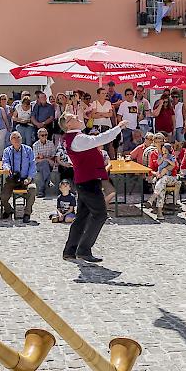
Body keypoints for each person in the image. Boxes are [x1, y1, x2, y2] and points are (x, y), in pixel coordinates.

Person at [59, 112, 128, 262]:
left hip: (85, 181)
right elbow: (100, 139)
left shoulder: (74, 138)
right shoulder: (78, 138)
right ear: (68, 124)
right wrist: (118, 127)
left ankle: (70, 250)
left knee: (82, 217)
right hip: (88, 182)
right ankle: (83, 249)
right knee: (100, 214)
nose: (78, 118)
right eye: (73, 118)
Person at [0, 131, 37, 223]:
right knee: (3, 197)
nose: (16, 140)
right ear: (10, 140)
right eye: (14, 138)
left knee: (32, 189)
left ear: (21, 139)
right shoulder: (7, 151)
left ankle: (27, 213)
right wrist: (7, 168)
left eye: (18, 137)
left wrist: (29, 178)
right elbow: (5, 162)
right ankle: (9, 210)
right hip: (12, 179)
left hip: (25, 178)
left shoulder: (28, 150)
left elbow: (32, 164)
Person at [147, 141, 179, 219]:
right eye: (163, 150)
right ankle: (159, 212)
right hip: (162, 177)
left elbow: (174, 165)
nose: (164, 151)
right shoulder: (160, 156)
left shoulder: (171, 156)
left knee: (163, 179)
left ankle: (154, 201)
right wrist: (162, 158)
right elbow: (158, 163)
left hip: (170, 177)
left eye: (165, 150)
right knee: (162, 185)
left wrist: (167, 161)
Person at [32, 128, 56, 198]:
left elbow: (53, 156)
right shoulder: (35, 145)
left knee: (45, 165)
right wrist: (47, 159)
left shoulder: (50, 143)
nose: (45, 136)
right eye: (42, 135)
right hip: (39, 165)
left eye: (46, 135)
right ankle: (48, 182)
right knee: (44, 164)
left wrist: (43, 158)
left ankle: (41, 191)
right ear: (38, 136)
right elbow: (36, 160)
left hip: (49, 165)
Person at [117, 88, 139, 153]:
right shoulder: (123, 104)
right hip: (126, 129)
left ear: (133, 95)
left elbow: (137, 115)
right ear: (125, 96)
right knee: (126, 147)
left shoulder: (136, 104)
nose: (129, 96)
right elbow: (119, 116)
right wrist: (122, 126)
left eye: (130, 94)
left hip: (134, 129)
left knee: (134, 147)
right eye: (127, 94)